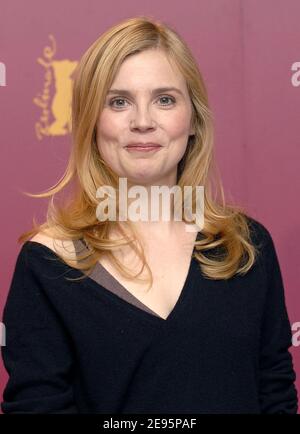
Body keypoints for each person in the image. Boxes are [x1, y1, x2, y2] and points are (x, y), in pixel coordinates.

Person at [1, 16, 298, 414]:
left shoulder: (244, 247)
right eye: (118, 101)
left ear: (192, 118)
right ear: (91, 120)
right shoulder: (49, 261)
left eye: (165, 99)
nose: (142, 122)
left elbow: (275, 393)